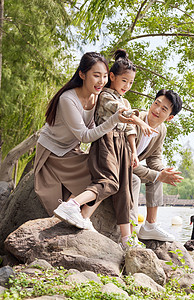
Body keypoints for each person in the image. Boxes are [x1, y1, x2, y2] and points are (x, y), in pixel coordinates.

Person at [53, 49, 157, 249]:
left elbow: (128, 129)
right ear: (113, 77)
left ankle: (127, 239)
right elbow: (122, 113)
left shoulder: (123, 99)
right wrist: (140, 122)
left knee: (124, 190)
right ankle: (73, 206)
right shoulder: (106, 96)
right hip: (106, 141)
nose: (127, 86)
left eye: (131, 82)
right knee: (108, 183)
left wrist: (134, 152)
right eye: (123, 80)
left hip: (123, 146)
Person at [34, 52, 130, 230]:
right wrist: (114, 120)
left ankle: (80, 214)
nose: (101, 81)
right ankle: (73, 209)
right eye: (96, 75)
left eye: (103, 76)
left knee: (108, 174)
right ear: (82, 74)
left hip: (72, 150)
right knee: (104, 176)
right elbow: (85, 136)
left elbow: (95, 127)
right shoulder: (67, 99)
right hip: (54, 152)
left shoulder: (96, 97)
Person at [128, 89, 184, 242]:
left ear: (170, 117)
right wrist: (158, 174)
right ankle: (130, 231)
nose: (157, 110)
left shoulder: (161, 130)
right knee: (137, 179)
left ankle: (150, 226)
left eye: (164, 109)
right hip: (120, 165)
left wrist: (163, 170)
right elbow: (125, 158)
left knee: (159, 175)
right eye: (156, 103)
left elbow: (154, 158)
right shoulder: (136, 118)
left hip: (132, 167)